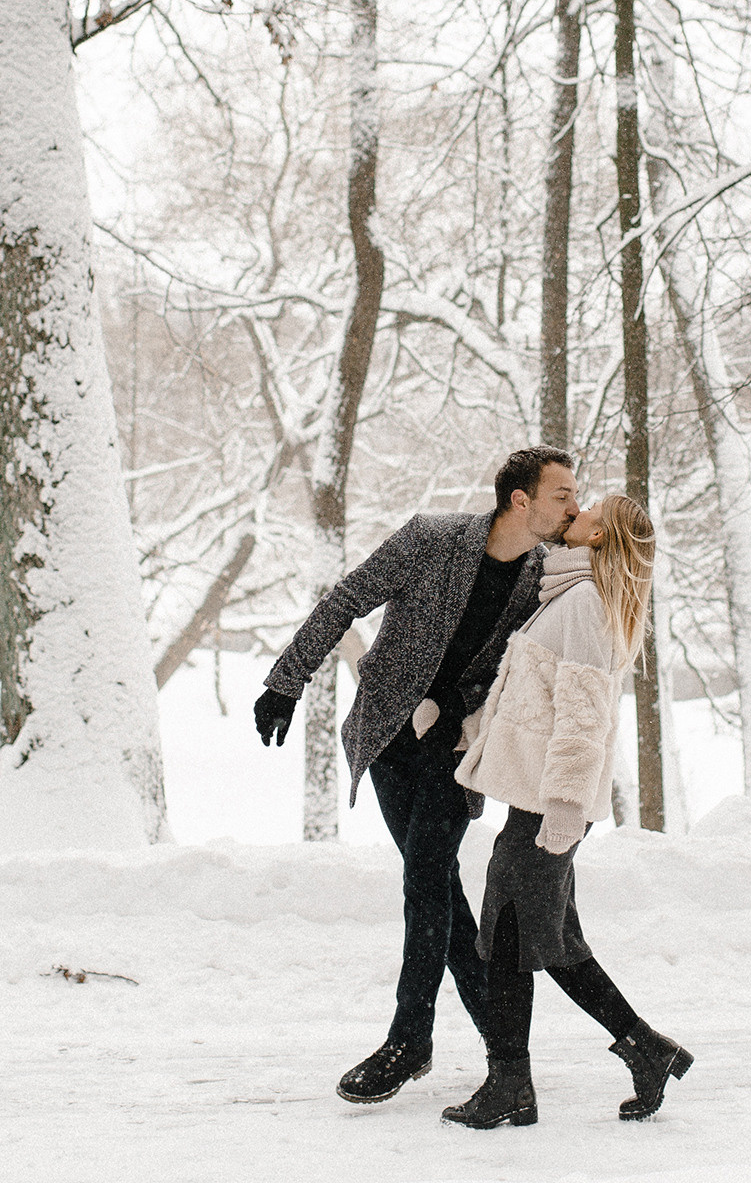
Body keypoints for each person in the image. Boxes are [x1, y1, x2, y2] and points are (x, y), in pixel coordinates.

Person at [254, 447, 579, 1104]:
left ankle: (410, 1039)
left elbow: (518, 672)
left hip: (456, 748)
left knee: (426, 873)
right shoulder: (431, 540)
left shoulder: (542, 579)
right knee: (438, 892)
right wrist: (286, 681)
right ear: (521, 500)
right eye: (562, 495)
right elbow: (345, 600)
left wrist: (456, 704)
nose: (574, 507)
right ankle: (505, 1050)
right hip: (389, 736)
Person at [441, 492, 691, 1128]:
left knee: (506, 942)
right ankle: (644, 1050)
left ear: (600, 539)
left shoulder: (582, 605)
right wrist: (475, 734)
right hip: (538, 806)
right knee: (548, 942)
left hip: (547, 809)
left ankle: (510, 1087)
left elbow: (583, 719)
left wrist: (564, 809)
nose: (573, 514)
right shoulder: (570, 597)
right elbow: (535, 697)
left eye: (588, 514)